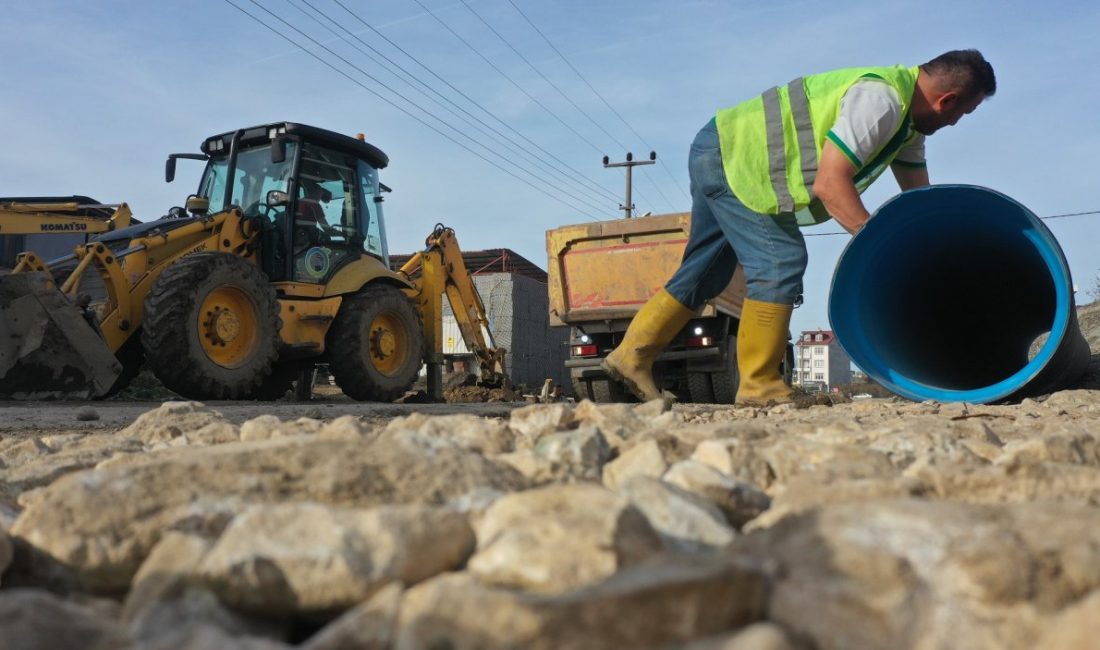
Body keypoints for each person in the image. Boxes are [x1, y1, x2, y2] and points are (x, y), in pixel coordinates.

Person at [602, 49, 996, 406]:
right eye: (963, 113)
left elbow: (918, 201)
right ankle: (759, 384)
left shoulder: (907, 127)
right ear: (948, 101)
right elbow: (830, 184)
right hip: (737, 158)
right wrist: (881, 249)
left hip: (720, 146)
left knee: (708, 269)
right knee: (781, 260)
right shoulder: (881, 101)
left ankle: (631, 356)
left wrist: (933, 252)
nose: (956, 123)